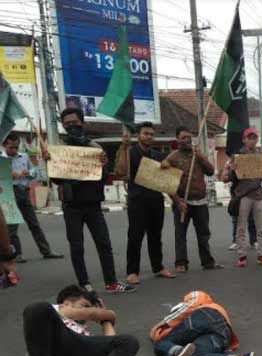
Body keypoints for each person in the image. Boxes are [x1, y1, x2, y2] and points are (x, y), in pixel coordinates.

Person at [41, 108, 134, 294]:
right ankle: (84, 284)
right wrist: (50, 163)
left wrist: (104, 164)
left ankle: (111, 283)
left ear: (82, 122)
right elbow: (57, 181)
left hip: (93, 204)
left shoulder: (95, 148)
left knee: (104, 244)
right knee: (77, 246)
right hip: (71, 205)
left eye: (74, 122)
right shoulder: (59, 150)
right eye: (67, 124)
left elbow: (103, 177)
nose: (71, 126)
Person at [150, 290, 256, 356]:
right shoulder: (182, 330)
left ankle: (176, 352)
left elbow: (193, 301)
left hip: (205, 315)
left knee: (161, 344)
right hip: (223, 333)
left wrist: (163, 323)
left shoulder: (201, 302)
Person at [116, 122, 175, 285]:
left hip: (156, 200)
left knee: (156, 236)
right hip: (137, 201)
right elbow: (120, 171)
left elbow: (168, 177)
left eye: (151, 134)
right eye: (145, 133)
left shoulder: (157, 155)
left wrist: (168, 165)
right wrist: (123, 148)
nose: (149, 136)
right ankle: (132, 272)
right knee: (135, 236)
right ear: (138, 135)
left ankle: (158, 267)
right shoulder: (130, 152)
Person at [161, 126, 222, 272]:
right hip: (182, 202)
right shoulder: (172, 158)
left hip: (200, 202)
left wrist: (201, 157)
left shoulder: (197, 155)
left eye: (189, 137)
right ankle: (181, 263)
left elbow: (211, 171)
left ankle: (207, 262)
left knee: (204, 234)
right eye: (183, 137)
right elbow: (167, 183)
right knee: (180, 234)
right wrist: (177, 201)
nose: (187, 140)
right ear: (177, 139)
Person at [2, 133, 63, 263]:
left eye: (16, 147)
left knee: (34, 224)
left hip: (24, 192)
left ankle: (46, 251)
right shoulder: (1, 159)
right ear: (4, 145)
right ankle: (17, 254)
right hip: (9, 195)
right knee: (12, 226)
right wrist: (8, 175)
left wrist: (28, 173)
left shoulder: (24, 156)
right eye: (11, 147)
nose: (14, 150)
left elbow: (34, 172)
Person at [232, 127, 262, 268]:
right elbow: (229, 174)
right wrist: (233, 168)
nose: (253, 140)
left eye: (255, 137)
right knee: (241, 227)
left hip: (258, 195)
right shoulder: (238, 155)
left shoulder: (261, 154)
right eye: (250, 137)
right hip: (244, 195)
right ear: (244, 139)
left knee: (261, 227)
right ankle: (242, 255)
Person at [220, 156, 256, 252]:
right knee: (236, 219)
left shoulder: (250, 159)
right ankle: (236, 241)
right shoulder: (230, 162)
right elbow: (224, 178)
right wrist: (229, 168)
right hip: (237, 194)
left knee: (251, 219)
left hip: (250, 192)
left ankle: (254, 240)